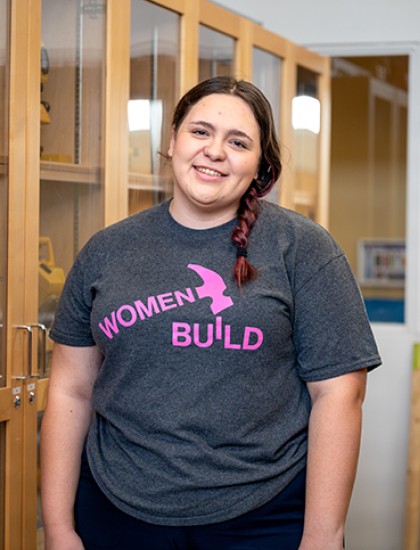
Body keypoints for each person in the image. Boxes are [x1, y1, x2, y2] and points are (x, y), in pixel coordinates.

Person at [40, 75, 381, 550]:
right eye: (200, 131)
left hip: (263, 516)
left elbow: (340, 397)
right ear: (174, 137)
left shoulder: (302, 248)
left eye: (237, 141)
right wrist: (58, 527)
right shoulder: (107, 250)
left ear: (261, 164)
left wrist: (322, 538)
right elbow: (70, 389)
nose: (214, 151)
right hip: (116, 511)